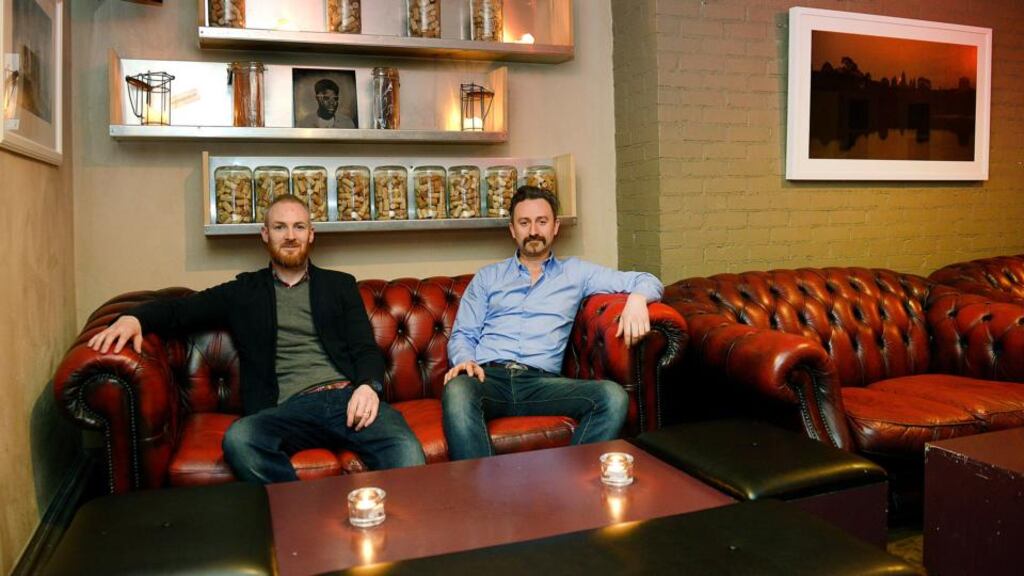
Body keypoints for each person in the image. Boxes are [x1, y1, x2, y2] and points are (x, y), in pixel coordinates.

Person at [88, 194, 425, 483]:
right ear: (265, 234)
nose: (290, 236)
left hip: (347, 400)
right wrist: (133, 317)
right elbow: (180, 310)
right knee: (241, 438)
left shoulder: (339, 285)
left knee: (405, 449)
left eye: (298, 227)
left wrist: (368, 386)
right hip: (287, 410)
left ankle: (408, 542)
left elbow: (365, 347)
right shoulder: (244, 292)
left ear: (312, 234)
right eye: (280, 227)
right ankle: (305, 515)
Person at [442, 185, 663, 460]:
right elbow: (463, 333)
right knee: (457, 389)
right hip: (489, 378)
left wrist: (638, 299)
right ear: (513, 229)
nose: (533, 230)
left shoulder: (577, 272)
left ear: (555, 226)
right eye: (524, 222)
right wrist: (465, 360)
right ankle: (481, 498)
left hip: (542, 383)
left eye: (541, 221)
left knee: (612, 397)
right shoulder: (488, 277)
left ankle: (568, 485)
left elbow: (647, 280)